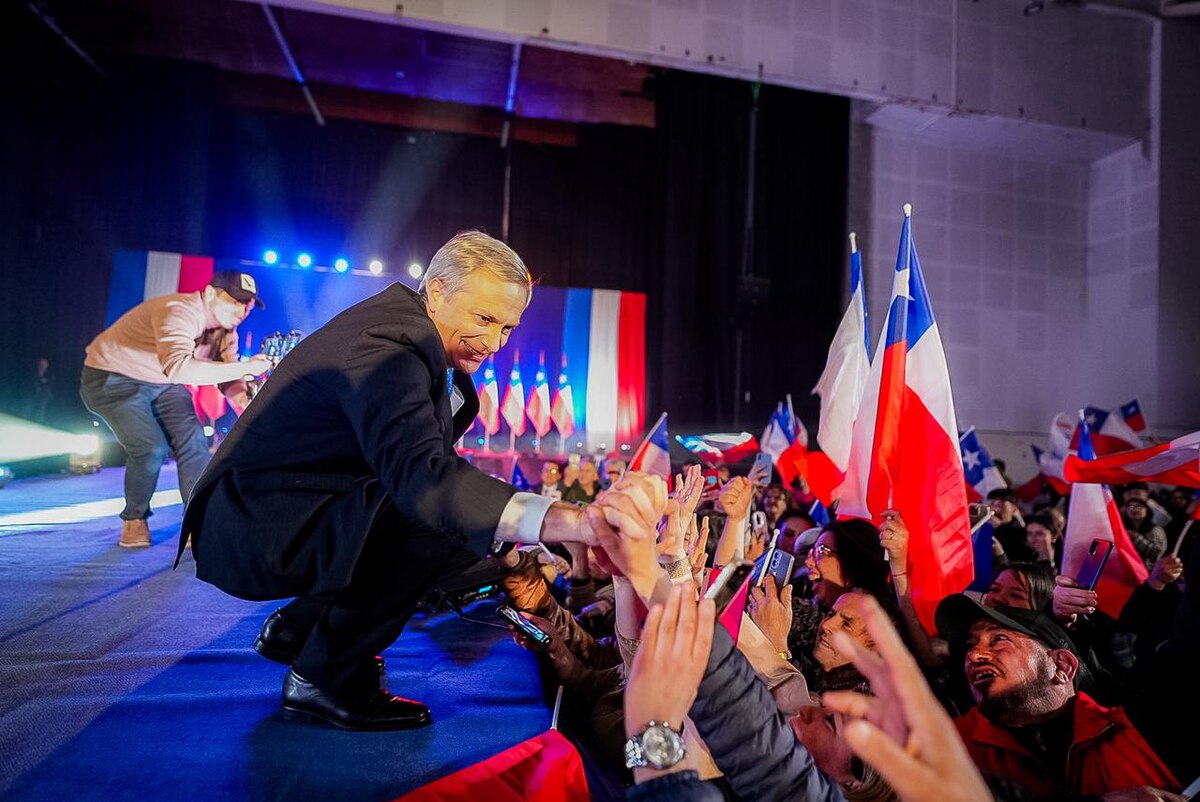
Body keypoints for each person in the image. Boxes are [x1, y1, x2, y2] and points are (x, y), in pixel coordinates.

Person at [179, 232, 607, 731]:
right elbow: (422, 482)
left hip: (302, 505)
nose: (494, 344)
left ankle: (299, 629)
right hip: (255, 523)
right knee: (436, 521)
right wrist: (567, 521)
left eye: (507, 328)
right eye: (484, 319)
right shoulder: (388, 346)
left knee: (457, 528)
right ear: (438, 290)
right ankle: (323, 678)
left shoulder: (433, 359)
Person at [81, 271, 270, 548]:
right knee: (150, 447)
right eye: (235, 301)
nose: (242, 310)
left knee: (195, 441)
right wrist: (248, 367)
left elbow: (229, 379)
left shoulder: (227, 331)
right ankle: (134, 520)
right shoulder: (180, 311)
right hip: (113, 377)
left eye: (248, 305)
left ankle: (196, 522)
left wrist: (249, 407)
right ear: (209, 293)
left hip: (162, 382)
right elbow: (179, 367)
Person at [935, 594, 1180, 798]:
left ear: (1062, 666)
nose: (974, 655)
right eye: (971, 645)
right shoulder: (948, 744)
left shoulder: (1143, 733)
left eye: (999, 639)